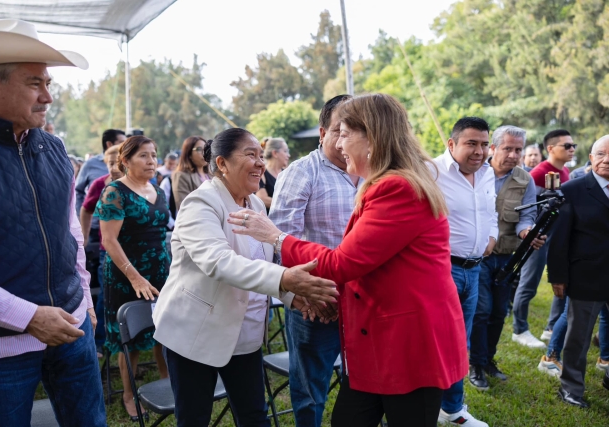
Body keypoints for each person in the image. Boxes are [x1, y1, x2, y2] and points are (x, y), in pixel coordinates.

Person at [229, 94, 468, 427]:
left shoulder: (396, 188)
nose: (338, 143)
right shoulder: (385, 181)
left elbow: (344, 262)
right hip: (377, 334)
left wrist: (274, 236)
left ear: (371, 137)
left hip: (406, 342)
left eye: (344, 134)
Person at [152, 127, 339, 427]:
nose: (260, 163)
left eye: (261, 155)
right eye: (250, 155)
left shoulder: (253, 204)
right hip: (196, 331)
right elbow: (220, 262)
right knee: (194, 418)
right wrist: (285, 279)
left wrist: (293, 295)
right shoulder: (201, 204)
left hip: (245, 336)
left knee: (254, 416)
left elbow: (263, 261)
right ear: (222, 164)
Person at [0, 19, 106, 426]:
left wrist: (82, 296)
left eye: (48, 82)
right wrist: (27, 316)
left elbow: (68, 233)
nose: (48, 96)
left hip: (72, 326)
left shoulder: (53, 146)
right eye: (34, 83)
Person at [268, 94, 360, 427]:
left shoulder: (371, 171)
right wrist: (302, 296)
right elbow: (280, 241)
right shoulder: (301, 173)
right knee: (310, 389)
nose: (345, 138)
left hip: (365, 299)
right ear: (322, 133)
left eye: (355, 130)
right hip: (317, 302)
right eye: (339, 130)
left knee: (364, 382)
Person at [96, 135, 171, 421]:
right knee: (132, 337)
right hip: (126, 275)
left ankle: (167, 382)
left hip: (159, 270)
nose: (152, 161)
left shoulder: (158, 190)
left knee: (163, 330)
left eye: (154, 155)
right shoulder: (114, 192)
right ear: (125, 161)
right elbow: (109, 240)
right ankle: (129, 394)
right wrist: (135, 278)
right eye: (143, 155)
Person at [469, 126, 545, 391]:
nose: (514, 155)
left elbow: (526, 217)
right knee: (481, 311)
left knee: (499, 312)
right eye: (508, 148)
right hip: (478, 256)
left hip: (507, 257)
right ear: (493, 148)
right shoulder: (475, 173)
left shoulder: (525, 180)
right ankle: (475, 364)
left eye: (518, 150)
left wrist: (527, 232)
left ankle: (488, 360)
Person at [431, 117, 496, 427]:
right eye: (471, 143)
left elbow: (490, 211)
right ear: (451, 144)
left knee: (461, 342)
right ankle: (423, 409)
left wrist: (492, 235)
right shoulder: (431, 172)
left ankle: (452, 409)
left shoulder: (488, 173)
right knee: (435, 342)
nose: (479, 151)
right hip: (441, 270)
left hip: (474, 271)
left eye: (484, 144)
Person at [546, 135, 609, 408]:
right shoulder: (572, 190)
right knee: (579, 337)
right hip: (586, 275)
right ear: (591, 158)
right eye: (601, 154)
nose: (607, 160)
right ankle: (571, 388)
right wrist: (557, 275)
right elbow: (559, 238)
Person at [512, 129, 576, 348]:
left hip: (560, 239)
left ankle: (551, 327)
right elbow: (527, 211)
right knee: (528, 283)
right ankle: (519, 329)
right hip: (538, 237)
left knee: (561, 282)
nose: (572, 149)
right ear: (550, 149)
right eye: (566, 146)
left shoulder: (566, 173)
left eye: (573, 145)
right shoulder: (538, 174)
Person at [80, 144, 123, 355]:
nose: (114, 166)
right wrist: (84, 237)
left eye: (118, 161)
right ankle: (99, 341)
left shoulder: (139, 184)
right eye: (110, 162)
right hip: (108, 249)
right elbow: (86, 209)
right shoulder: (100, 184)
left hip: (134, 249)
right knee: (107, 295)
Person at [76, 128, 126, 215]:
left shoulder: (128, 162)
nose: (125, 146)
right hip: (94, 224)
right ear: (109, 144)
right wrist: (81, 215)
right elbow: (78, 191)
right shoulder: (90, 164)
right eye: (122, 142)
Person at [171, 135, 212, 213]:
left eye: (206, 149)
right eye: (199, 149)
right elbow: (183, 206)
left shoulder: (212, 175)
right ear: (189, 154)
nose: (204, 153)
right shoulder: (181, 176)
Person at [256, 137, 291, 211]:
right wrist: (289, 205)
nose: (288, 155)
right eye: (285, 151)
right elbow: (262, 199)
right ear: (275, 153)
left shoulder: (287, 173)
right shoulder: (262, 173)